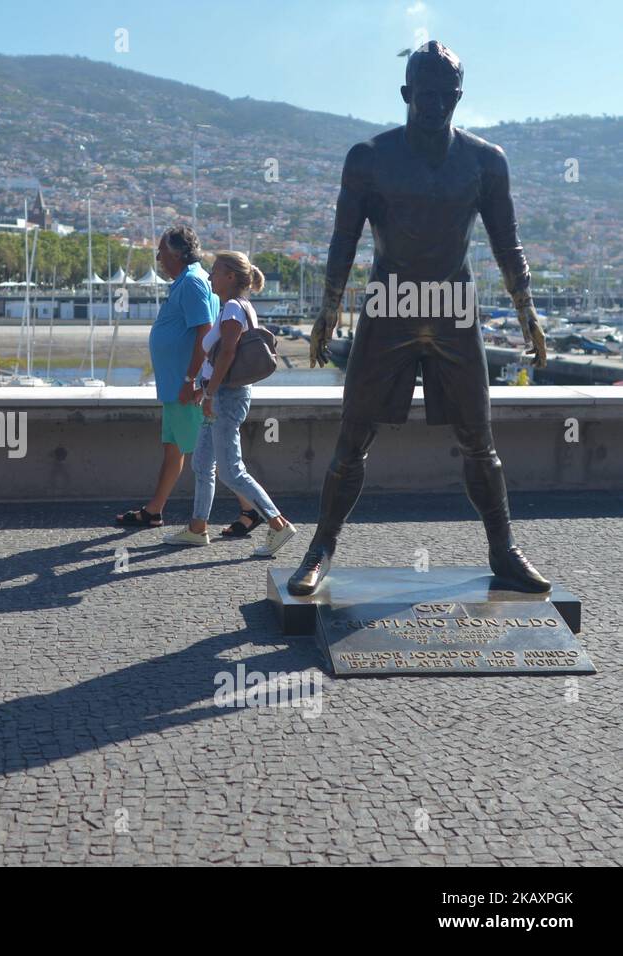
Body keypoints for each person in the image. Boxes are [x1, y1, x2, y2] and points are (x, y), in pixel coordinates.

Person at [290, 41, 550, 595]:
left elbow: (508, 242)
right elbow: (344, 238)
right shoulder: (369, 157)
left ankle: (503, 550)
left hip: (455, 308)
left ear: (459, 96)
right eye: (424, 94)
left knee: (479, 439)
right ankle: (321, 548)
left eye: (445, 95)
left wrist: (526, 309)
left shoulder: (486, 161)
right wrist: (329, 306)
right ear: (406, 94)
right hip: (389, 306)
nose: (434, 104)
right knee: (353, 434)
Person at [163, 252, 298, 556]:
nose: (210, 277)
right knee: (201, 464)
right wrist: (204, 389)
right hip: (220, 394)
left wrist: (209, 393)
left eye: (215, 272)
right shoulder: (235, 308)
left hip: (225, 397)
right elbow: (218, 358)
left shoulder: (234, 310)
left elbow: (227, 354)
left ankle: (278, 524)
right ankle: (198, 528)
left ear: (231, 277)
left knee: (232, 471)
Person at [116, 224, 229, 529]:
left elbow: (205, 331)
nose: (157, 257)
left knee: (210, 455)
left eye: (162, 251)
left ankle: (253, 509)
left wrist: (189, 380)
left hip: (184, 386)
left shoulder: (192, 282)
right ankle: (154, 509)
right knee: (174, 448)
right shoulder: (188, 281)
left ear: (178, 253)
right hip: (176, 386)